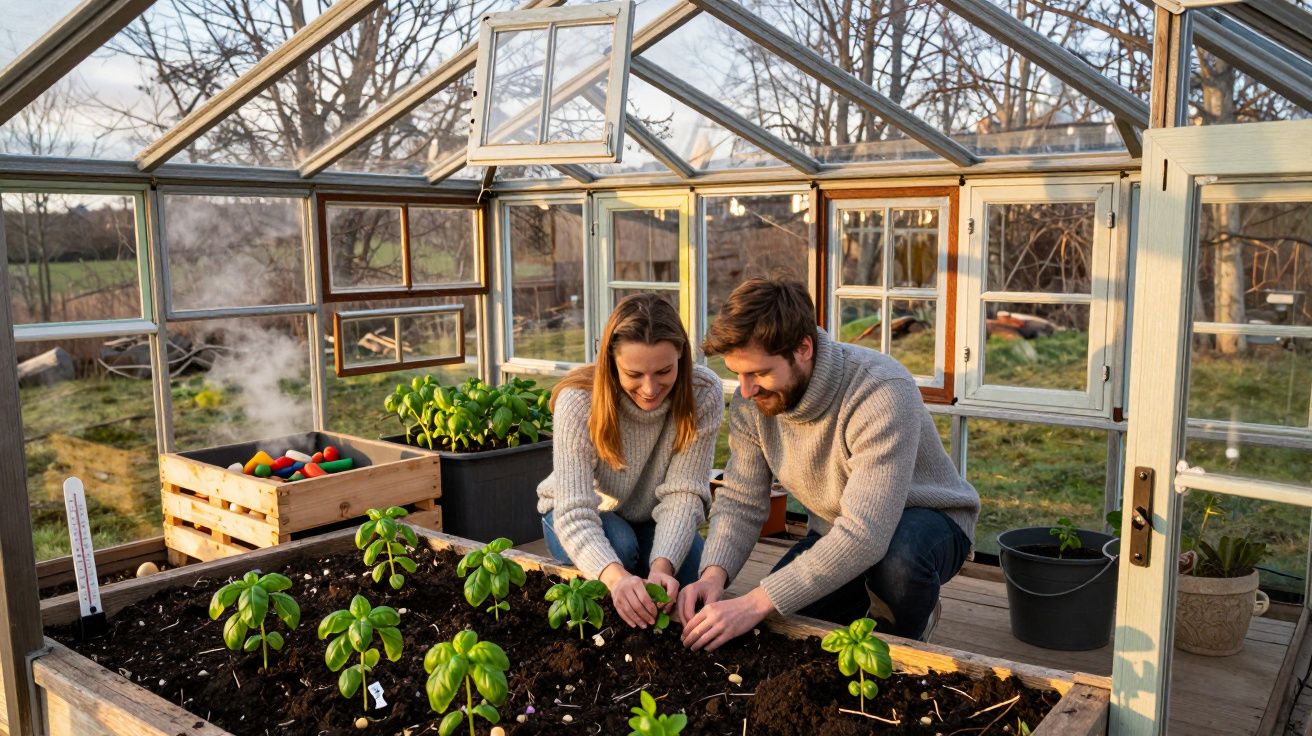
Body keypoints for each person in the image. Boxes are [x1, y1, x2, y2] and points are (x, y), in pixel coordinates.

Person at [677, 278, 980, 650]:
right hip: (837, 528)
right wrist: (713, 576)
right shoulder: (751, 402)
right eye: (737, 373)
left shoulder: (880, 390)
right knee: (779, 627)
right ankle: (866, 598)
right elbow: (741, 499)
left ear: (803, 348)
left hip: (928, 521)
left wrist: (753, 602)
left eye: (758, 372)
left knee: (898, 565)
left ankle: (909, 627)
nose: (746, 389)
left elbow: (865, 534)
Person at [538, 293, 724, 630]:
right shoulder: (579, 401)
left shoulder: (703, 392)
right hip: (581, 514)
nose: (650, 389)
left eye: (664, 371)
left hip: (651, 515)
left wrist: (662, 568)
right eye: (634, 374)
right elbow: (574, 511)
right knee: (621, 551)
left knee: (692, 575)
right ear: (611, 362)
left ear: (681, 355)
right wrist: (615, 578)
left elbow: (684, 493)